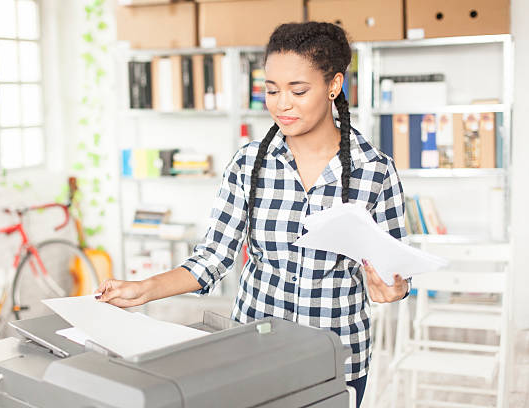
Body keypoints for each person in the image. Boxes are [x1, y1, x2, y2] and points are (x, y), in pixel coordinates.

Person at [97, 21, 411, 408]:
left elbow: (396, 268)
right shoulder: (249, 164)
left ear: (334, 85)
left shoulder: (375, 170)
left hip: (336, 357)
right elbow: (212, 256)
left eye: (298, 90)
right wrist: (143, 289)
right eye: (272, 90)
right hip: (253, 351)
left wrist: (394, 288)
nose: (282, 104)